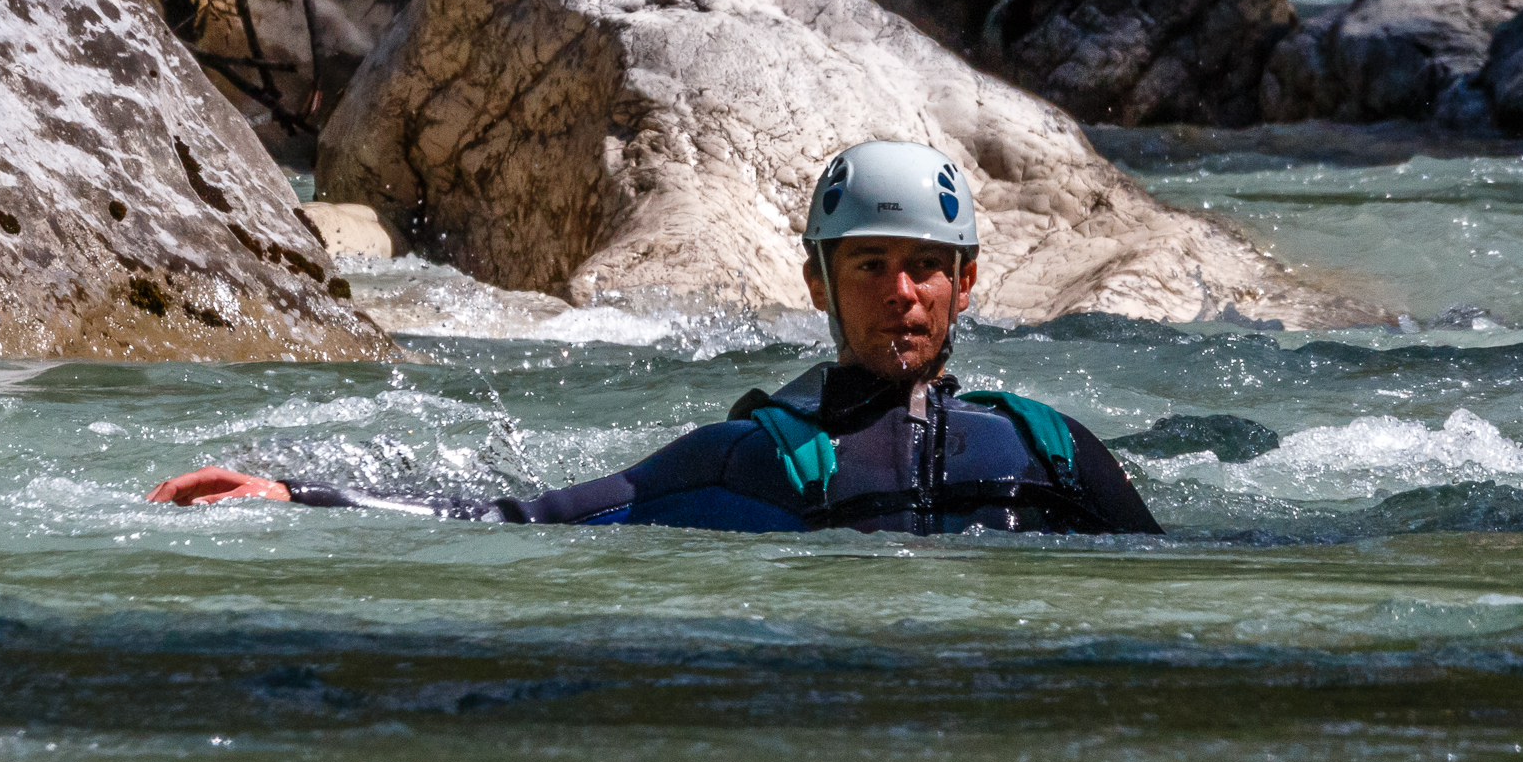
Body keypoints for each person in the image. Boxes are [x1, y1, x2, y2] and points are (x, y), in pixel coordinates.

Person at [147, 139, 1164, 536]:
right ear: (817, 278)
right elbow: (527, 513)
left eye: (925, 267)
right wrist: (297, 492)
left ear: (965, 281)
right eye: (868, 265)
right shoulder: (753, 454)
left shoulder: (1049, 446)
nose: (901, 292)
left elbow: (1190, 574)